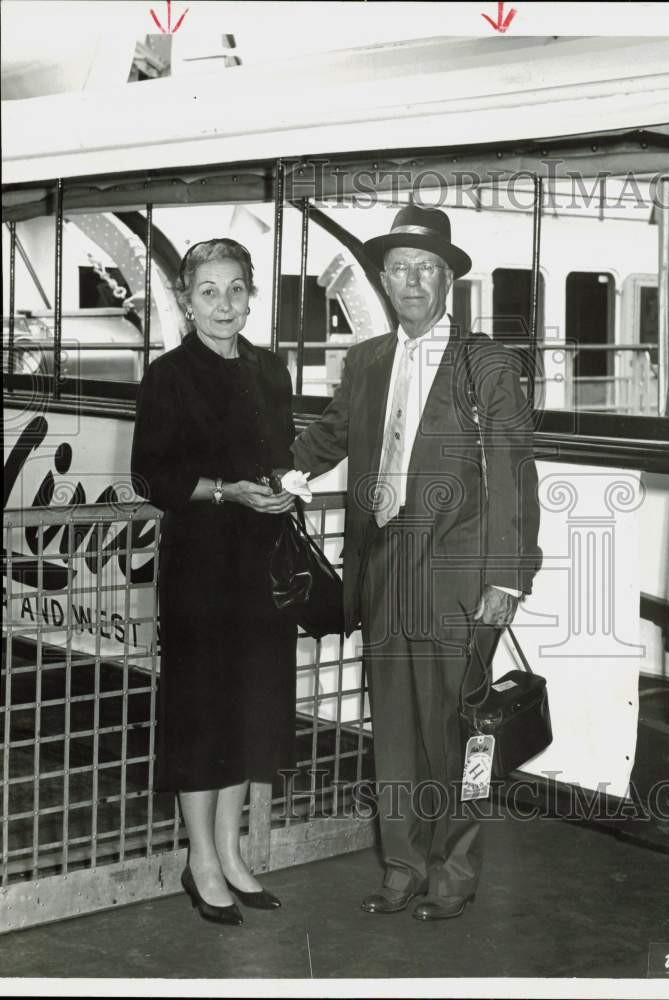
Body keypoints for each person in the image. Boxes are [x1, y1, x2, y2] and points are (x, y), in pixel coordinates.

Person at [290, 205, 541, 921]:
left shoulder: (485, 362)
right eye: (398, 269)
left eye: (425, 269)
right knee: (394, 733)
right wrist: (284, 477)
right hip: (384, 570)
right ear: (384, 278)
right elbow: (332, 435)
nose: (410, 282)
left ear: (448, 279)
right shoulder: (367, 361)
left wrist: (505, 578)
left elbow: (513, 471)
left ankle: (454, 875)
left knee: (460, 736)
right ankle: (401, 869)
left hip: (459, 579)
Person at [131, 238, 298, 926]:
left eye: (236, 289)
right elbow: (153, 475)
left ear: (250, 295)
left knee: (246, 709)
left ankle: (231, 854)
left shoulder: (268, 369)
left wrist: (286, 488)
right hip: (202, 565)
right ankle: (200, 862)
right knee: (203, 714)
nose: (224, 304)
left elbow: (281, 452)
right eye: (208, 292)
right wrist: (229, 492)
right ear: (184, 299)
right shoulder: (168, 375)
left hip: (259, 562)